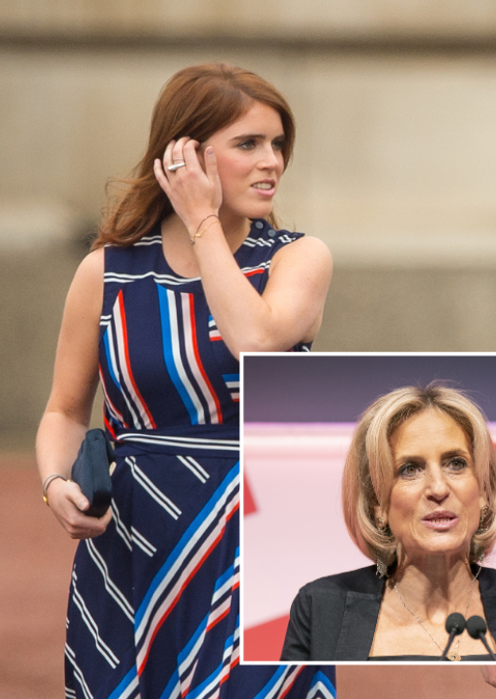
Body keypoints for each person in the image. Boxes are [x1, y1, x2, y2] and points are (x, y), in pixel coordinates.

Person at [35, 64, 335, 697]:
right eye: (249, 144)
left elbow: (253, 337)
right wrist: (56, 484)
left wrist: (202, 225)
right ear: (184, 156)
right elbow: (65, 409)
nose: (272, 162)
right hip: (138, 540)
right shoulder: (107, 272)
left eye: (278, 144)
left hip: (271, 529)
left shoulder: (296, 258)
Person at [281, 385, 496, 662]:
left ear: (484, 493)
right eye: (410, 469)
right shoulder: (322, 609)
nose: (438, 488)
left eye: (456, 463)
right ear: (377, 506)